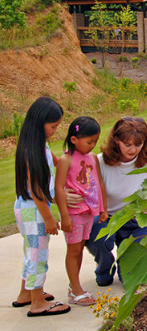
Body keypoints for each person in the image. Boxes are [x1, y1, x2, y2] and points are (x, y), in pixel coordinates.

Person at [76, 117, 147, 286]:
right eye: (127, 144)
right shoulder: (100, 162)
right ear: (117, 140)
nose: (133, 149)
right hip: (107, 217)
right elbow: (83, 187)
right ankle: (104, 267)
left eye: (138, 144)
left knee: (130, 280)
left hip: (134, 219)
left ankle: (125, 263)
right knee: (97, 238)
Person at [13, 97, 71, 317]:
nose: (55, 131)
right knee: (38, 255)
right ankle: (37, 302)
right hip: (33, 209)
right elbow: (36, 188)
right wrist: (48, 218)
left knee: (31, 252)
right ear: (39, 123)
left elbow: (54, 161)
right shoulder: (32, 149)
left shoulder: (37, 143)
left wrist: (65, 162)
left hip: (27, 207)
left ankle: (25, 294)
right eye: (53, 126)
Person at [54, 116, 107, 306]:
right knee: (73, 250)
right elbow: (59, 189)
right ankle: (75, 290)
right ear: (74, 139)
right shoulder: (65, 160)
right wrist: (65, 216)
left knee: (80, 248)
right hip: (74, 213)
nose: (93, 145)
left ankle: (74, 286)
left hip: (88, 212)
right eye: (89, 141)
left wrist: (103, 209)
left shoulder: (92, 158)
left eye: (95, 141)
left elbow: (98, 182)